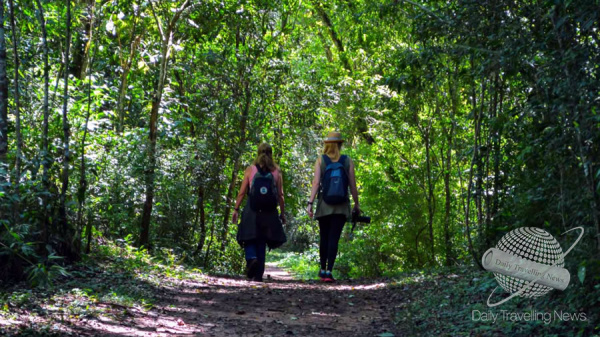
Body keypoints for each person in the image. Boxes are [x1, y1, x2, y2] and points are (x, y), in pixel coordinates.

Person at [306, 131, 360, 282]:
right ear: (340, 144)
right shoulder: (347, 160)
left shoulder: (321, 160)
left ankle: (322, 270)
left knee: (324, 237)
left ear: (326, 144)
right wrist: (356, 204)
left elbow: (316, 183)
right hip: (341, 206)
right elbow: (352, 185)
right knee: (334, 239)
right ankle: (329, 272)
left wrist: (310, 203)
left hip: (324, 205)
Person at [232, 143, 286, 282]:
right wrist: (282, 214)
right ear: (271, 154)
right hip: (269, 211)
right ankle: (258, 275)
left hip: (252, 209)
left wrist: (236, 209)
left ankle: (251, 258)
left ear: (258, 153)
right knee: (262, 240)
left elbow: (242, 192)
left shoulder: (250, 170)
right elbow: (280, 195)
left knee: (248, 236)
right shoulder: (276, 171)